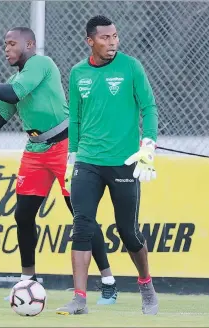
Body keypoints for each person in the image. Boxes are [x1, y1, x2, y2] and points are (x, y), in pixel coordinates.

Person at [0, 26, 119, 305]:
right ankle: (28, 281)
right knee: (23, 216)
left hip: (66, 147)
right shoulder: (14, 79)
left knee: (80, 215)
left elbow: (14, 93)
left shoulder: (41, 63)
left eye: (12, 43)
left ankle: (108, 281)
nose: (7, 49)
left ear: (30, 45)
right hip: (35, 150)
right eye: (5, 44)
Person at [55, 15, 159, 316]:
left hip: (124, 162)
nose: (112, 42)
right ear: (91, 41)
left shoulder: (131, 67)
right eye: (105, 38)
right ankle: (79, 299)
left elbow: (149, 107)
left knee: (128, 232)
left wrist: (148, 143)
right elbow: (74, 118)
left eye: (115, 36)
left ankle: (145, 284)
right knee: (82, 226)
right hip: (87, 161)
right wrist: (71, 157)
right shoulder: (77, 73)